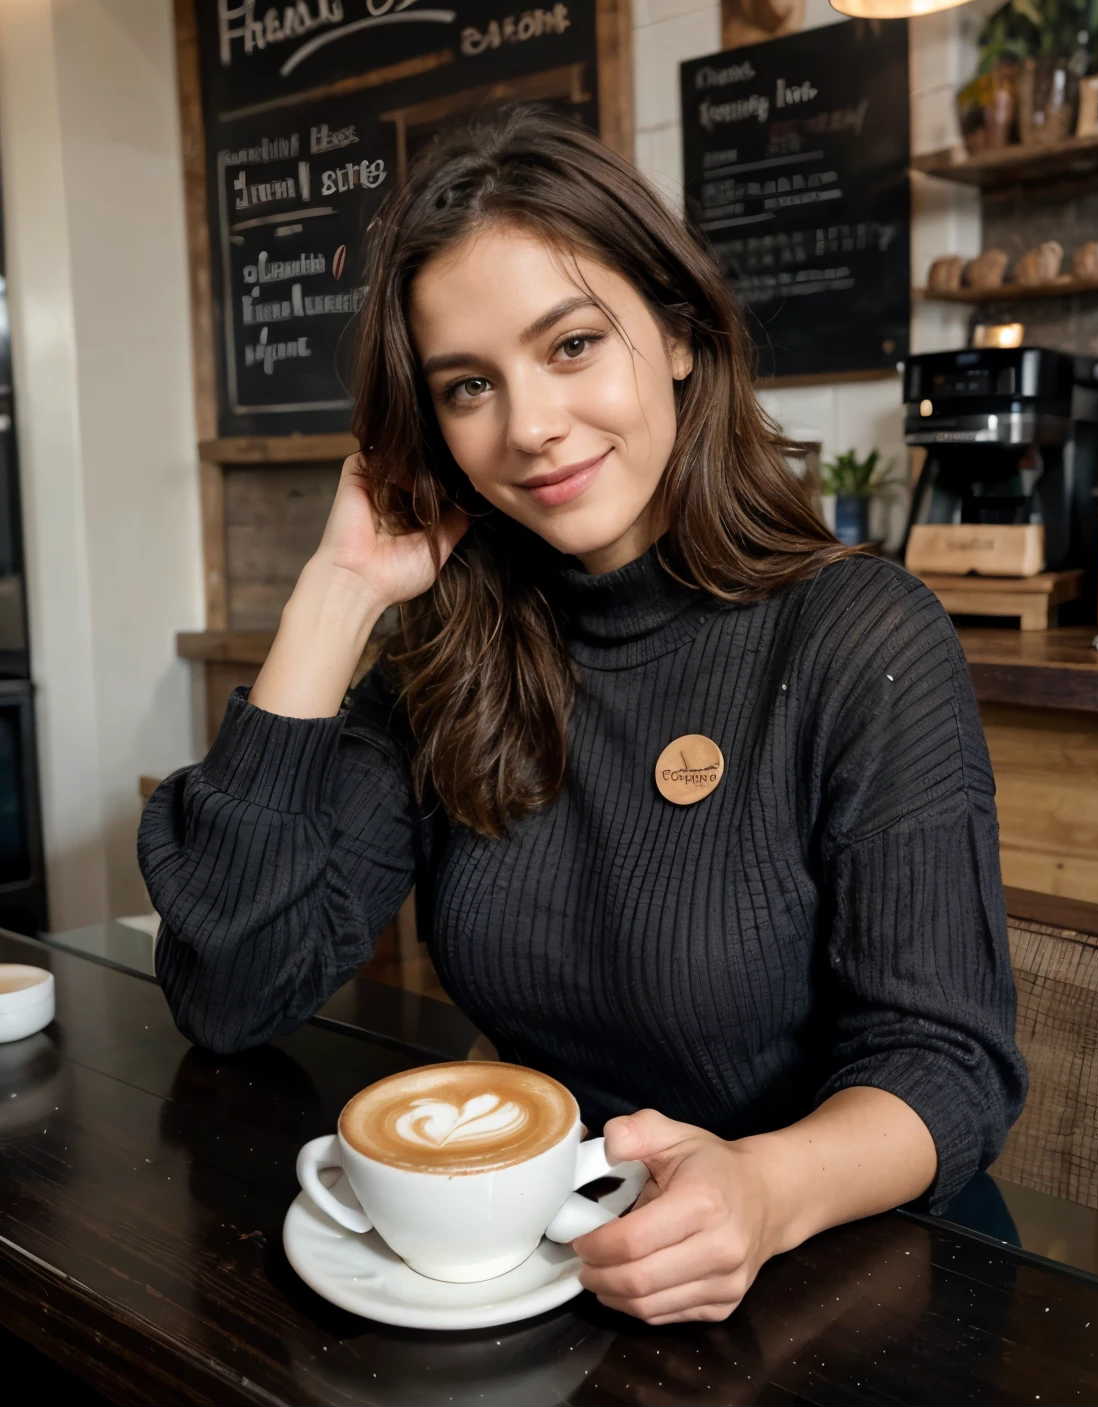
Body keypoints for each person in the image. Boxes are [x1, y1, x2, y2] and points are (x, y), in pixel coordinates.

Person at [139, 107, 1026, 1324]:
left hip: (844, 1277)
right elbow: (231, 992)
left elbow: (949, 1064)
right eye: (468, 386)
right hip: (555, 1262)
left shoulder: (860, 636)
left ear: (672, 330)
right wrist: (338, 594)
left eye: (568, 346)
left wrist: (762, 1190)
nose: (531, 426)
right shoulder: (449, 656)